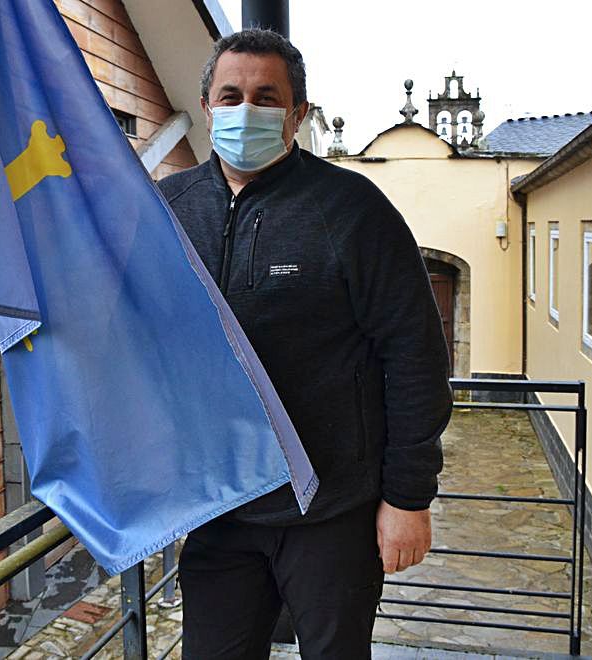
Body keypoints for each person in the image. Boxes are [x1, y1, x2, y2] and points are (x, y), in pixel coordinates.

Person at [157, 28, 453, 660]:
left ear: (298, 114)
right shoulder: (165, 208)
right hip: (218, 506)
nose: (246, 110)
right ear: (206, 106)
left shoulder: (352, 209)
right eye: (230, 94)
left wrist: (408, 496)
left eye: (267, 97)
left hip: (331, 510)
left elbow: (416, 356)